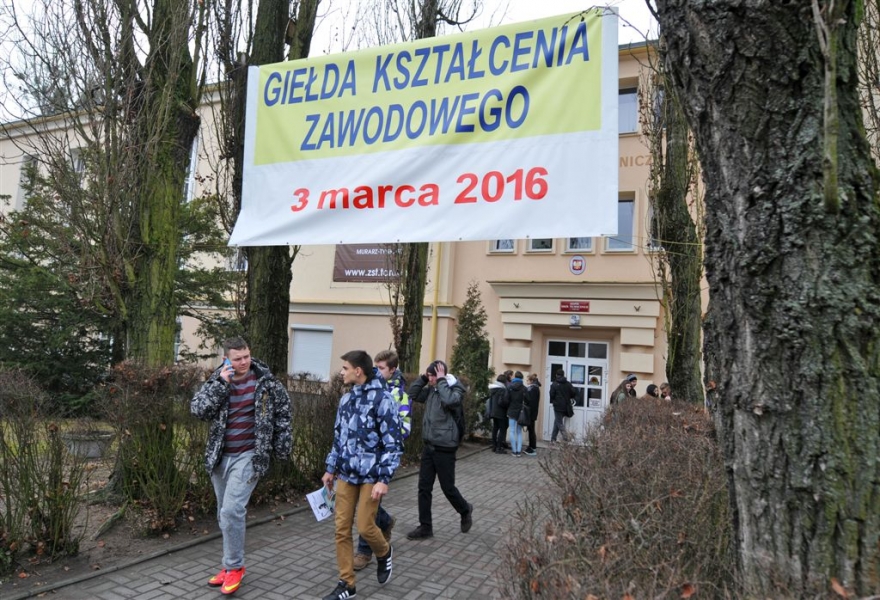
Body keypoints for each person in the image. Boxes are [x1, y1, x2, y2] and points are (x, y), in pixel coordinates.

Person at [190, 336, 292, 596]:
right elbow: (198, 410)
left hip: (249, 456)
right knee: (224, 515)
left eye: (246, 356)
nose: (244, 362)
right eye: (237, 359)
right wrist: (221, 385)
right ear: (226, 358)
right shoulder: (217, 380)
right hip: (220, 458)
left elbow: (284, 412)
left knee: (232, 511)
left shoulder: (266, 381)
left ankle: (235, 567)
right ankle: (229, 565)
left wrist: (281, 448)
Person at [321, 350, 403, 600]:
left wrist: (383, 479)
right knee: (341, 529)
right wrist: (330, 468)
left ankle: (384, 552)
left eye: (345, 368)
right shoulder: (346, 400)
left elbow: (393, 444)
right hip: (346, 475)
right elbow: (338, 438)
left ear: (358, 371)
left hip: (371, 477)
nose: (342, 372)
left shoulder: (383, 400)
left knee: (366, 526)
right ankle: (347, 584)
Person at [352, 349, 411, 572]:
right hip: (361, 458)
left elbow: (404, 429)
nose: (376, 371)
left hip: (380, 459)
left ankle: (364, 551)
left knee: (368, 505)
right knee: (368, 505)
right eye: (374, 367)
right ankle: (385, 522)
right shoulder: (366, 389)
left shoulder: (400, 396)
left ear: (392, 370)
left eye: (381, 368)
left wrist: (384, 434)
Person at [406, 359, 474, 540]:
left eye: (432, 376)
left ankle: (465, 509)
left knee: (447, 488)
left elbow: (450, 401)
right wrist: (423, 378)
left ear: (442, 375)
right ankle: (425, 527)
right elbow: (412, 394)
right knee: (424, 488)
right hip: (429, 446)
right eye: (428, 376)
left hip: (445, 447)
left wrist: (442, 380)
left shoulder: (455, 389)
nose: (430, 380)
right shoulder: (431, 390)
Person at [549, 369, 576, 442]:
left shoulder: (554, 384)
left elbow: (551, 395)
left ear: (556, 375)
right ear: (563, 375)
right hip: (566, 406)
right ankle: (553, 439)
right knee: (557, 422)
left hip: (558, 406)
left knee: (559, 422)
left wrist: (554, 401)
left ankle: (566, 438)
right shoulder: (568, 384)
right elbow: (573, 393)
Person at [487, 373, 510, 454]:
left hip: (493, 411)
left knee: (495, 428)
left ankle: (494, 446)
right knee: (502, 429)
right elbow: (504, 402)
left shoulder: (493, 389)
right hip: (501, 412)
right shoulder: (502, 390)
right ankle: (499, 447)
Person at [506, 371, 526, 457]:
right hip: (521, 412)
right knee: (519, 432)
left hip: (511, 410)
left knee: (512, 431)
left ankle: (514, 451)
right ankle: (518, 451)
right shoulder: (524, 388)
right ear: (522, 378)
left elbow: (506, 399)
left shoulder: (510, 387)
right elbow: (528, 400)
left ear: (515, 377)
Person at [524, 374, 541, 456]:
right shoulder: (533, 388)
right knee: (530, 430)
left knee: (531, 430)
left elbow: (531, 401)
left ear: (531, 381)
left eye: (527, 380)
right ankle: (531, 446)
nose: (526, 382)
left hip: (531, 412)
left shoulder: (533, 389)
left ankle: (532, 448)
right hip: (531, 412)